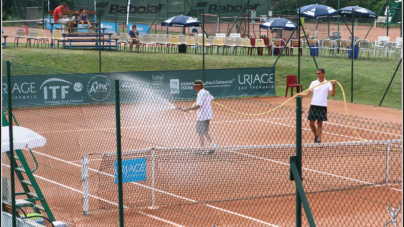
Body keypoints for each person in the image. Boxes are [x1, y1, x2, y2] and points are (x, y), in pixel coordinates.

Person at [297, 68, 337, 143]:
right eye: (317, 73)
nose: (317, 75)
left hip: (322, 106)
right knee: (311, 123)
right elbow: (307, 94)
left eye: (319, 73)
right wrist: (300, 94)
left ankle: (319, 139)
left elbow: (332, 95)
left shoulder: (328, 83)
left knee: (319, 123)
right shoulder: (313, 83)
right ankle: (316, 135)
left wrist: (333, 85)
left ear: (323, 74)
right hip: (313, 105)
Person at [178, 80, 217, 153]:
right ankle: (213, 144)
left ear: (199, 86)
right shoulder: (206, 92)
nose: (194, 87)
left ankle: (203, 149)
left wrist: (188, 109)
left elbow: (199, 106)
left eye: (195, 86)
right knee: (205, 132)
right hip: (208, 115)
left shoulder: (200, 93)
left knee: (200, 133)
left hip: (202, 116)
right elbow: (213, 98)